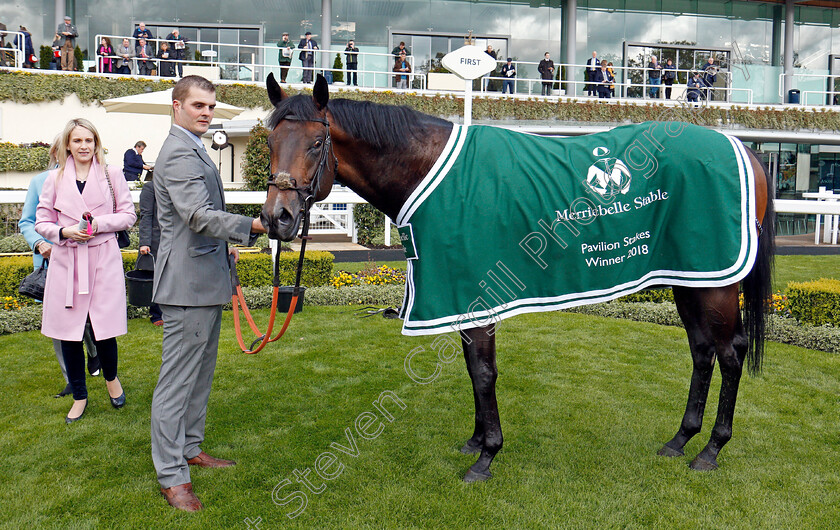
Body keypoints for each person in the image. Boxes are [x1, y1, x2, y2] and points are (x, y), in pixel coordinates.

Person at [151, 75, 266, 512]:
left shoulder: (194, 147)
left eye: (211, 107)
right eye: (197, 105)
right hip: (187, 286)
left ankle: (190, 448)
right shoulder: (179, 151)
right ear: (176, 106)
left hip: (205, 281)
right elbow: (199, 215)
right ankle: (172, 476)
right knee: (175, 385)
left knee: (199, 377)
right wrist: (255, 225)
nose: (206, 112)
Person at [35, 118, 136, 424]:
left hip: (103, 258)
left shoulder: (111, 175)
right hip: (68, 261)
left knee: (104, 328)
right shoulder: (54, 180)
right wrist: (65, 232)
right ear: (67, 144)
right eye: (77, 141)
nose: (83, 146)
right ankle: (79, 396)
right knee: (68, 332)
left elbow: (128, 215)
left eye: (89, 141)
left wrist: (96, 225)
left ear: (97, 143)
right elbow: (42, 222)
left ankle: (112, 380)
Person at [19, 139, 100, 398]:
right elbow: (28, 221)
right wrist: (40, 243)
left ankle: (94, 351)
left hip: (87, 260)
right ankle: (71, 379)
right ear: (57, 152)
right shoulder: (41, 181)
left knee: (89, 317)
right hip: (53, 261)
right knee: (60, 324)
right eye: (67, 147)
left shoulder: (96, 178)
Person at [139, 175, 162, 326]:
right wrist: (145, 242)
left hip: (174, 239)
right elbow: (146, 216)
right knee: (156, 278)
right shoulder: (150, 188)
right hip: (155, 241)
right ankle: (156, 315)